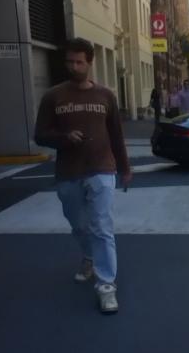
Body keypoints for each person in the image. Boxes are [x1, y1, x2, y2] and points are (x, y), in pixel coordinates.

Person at [34, 38, 131, 314]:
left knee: (102, 225)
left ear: (90, 62)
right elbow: (40, 135)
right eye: (69, 61)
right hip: (69, 171)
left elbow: (116, 135)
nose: (73, 67)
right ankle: (88, 256)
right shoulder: (53, 96)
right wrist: (64, 138)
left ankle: (106, 287)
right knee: (78, 224)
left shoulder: (105, 96)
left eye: (79, 62)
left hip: (102, 168)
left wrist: (124, 168)